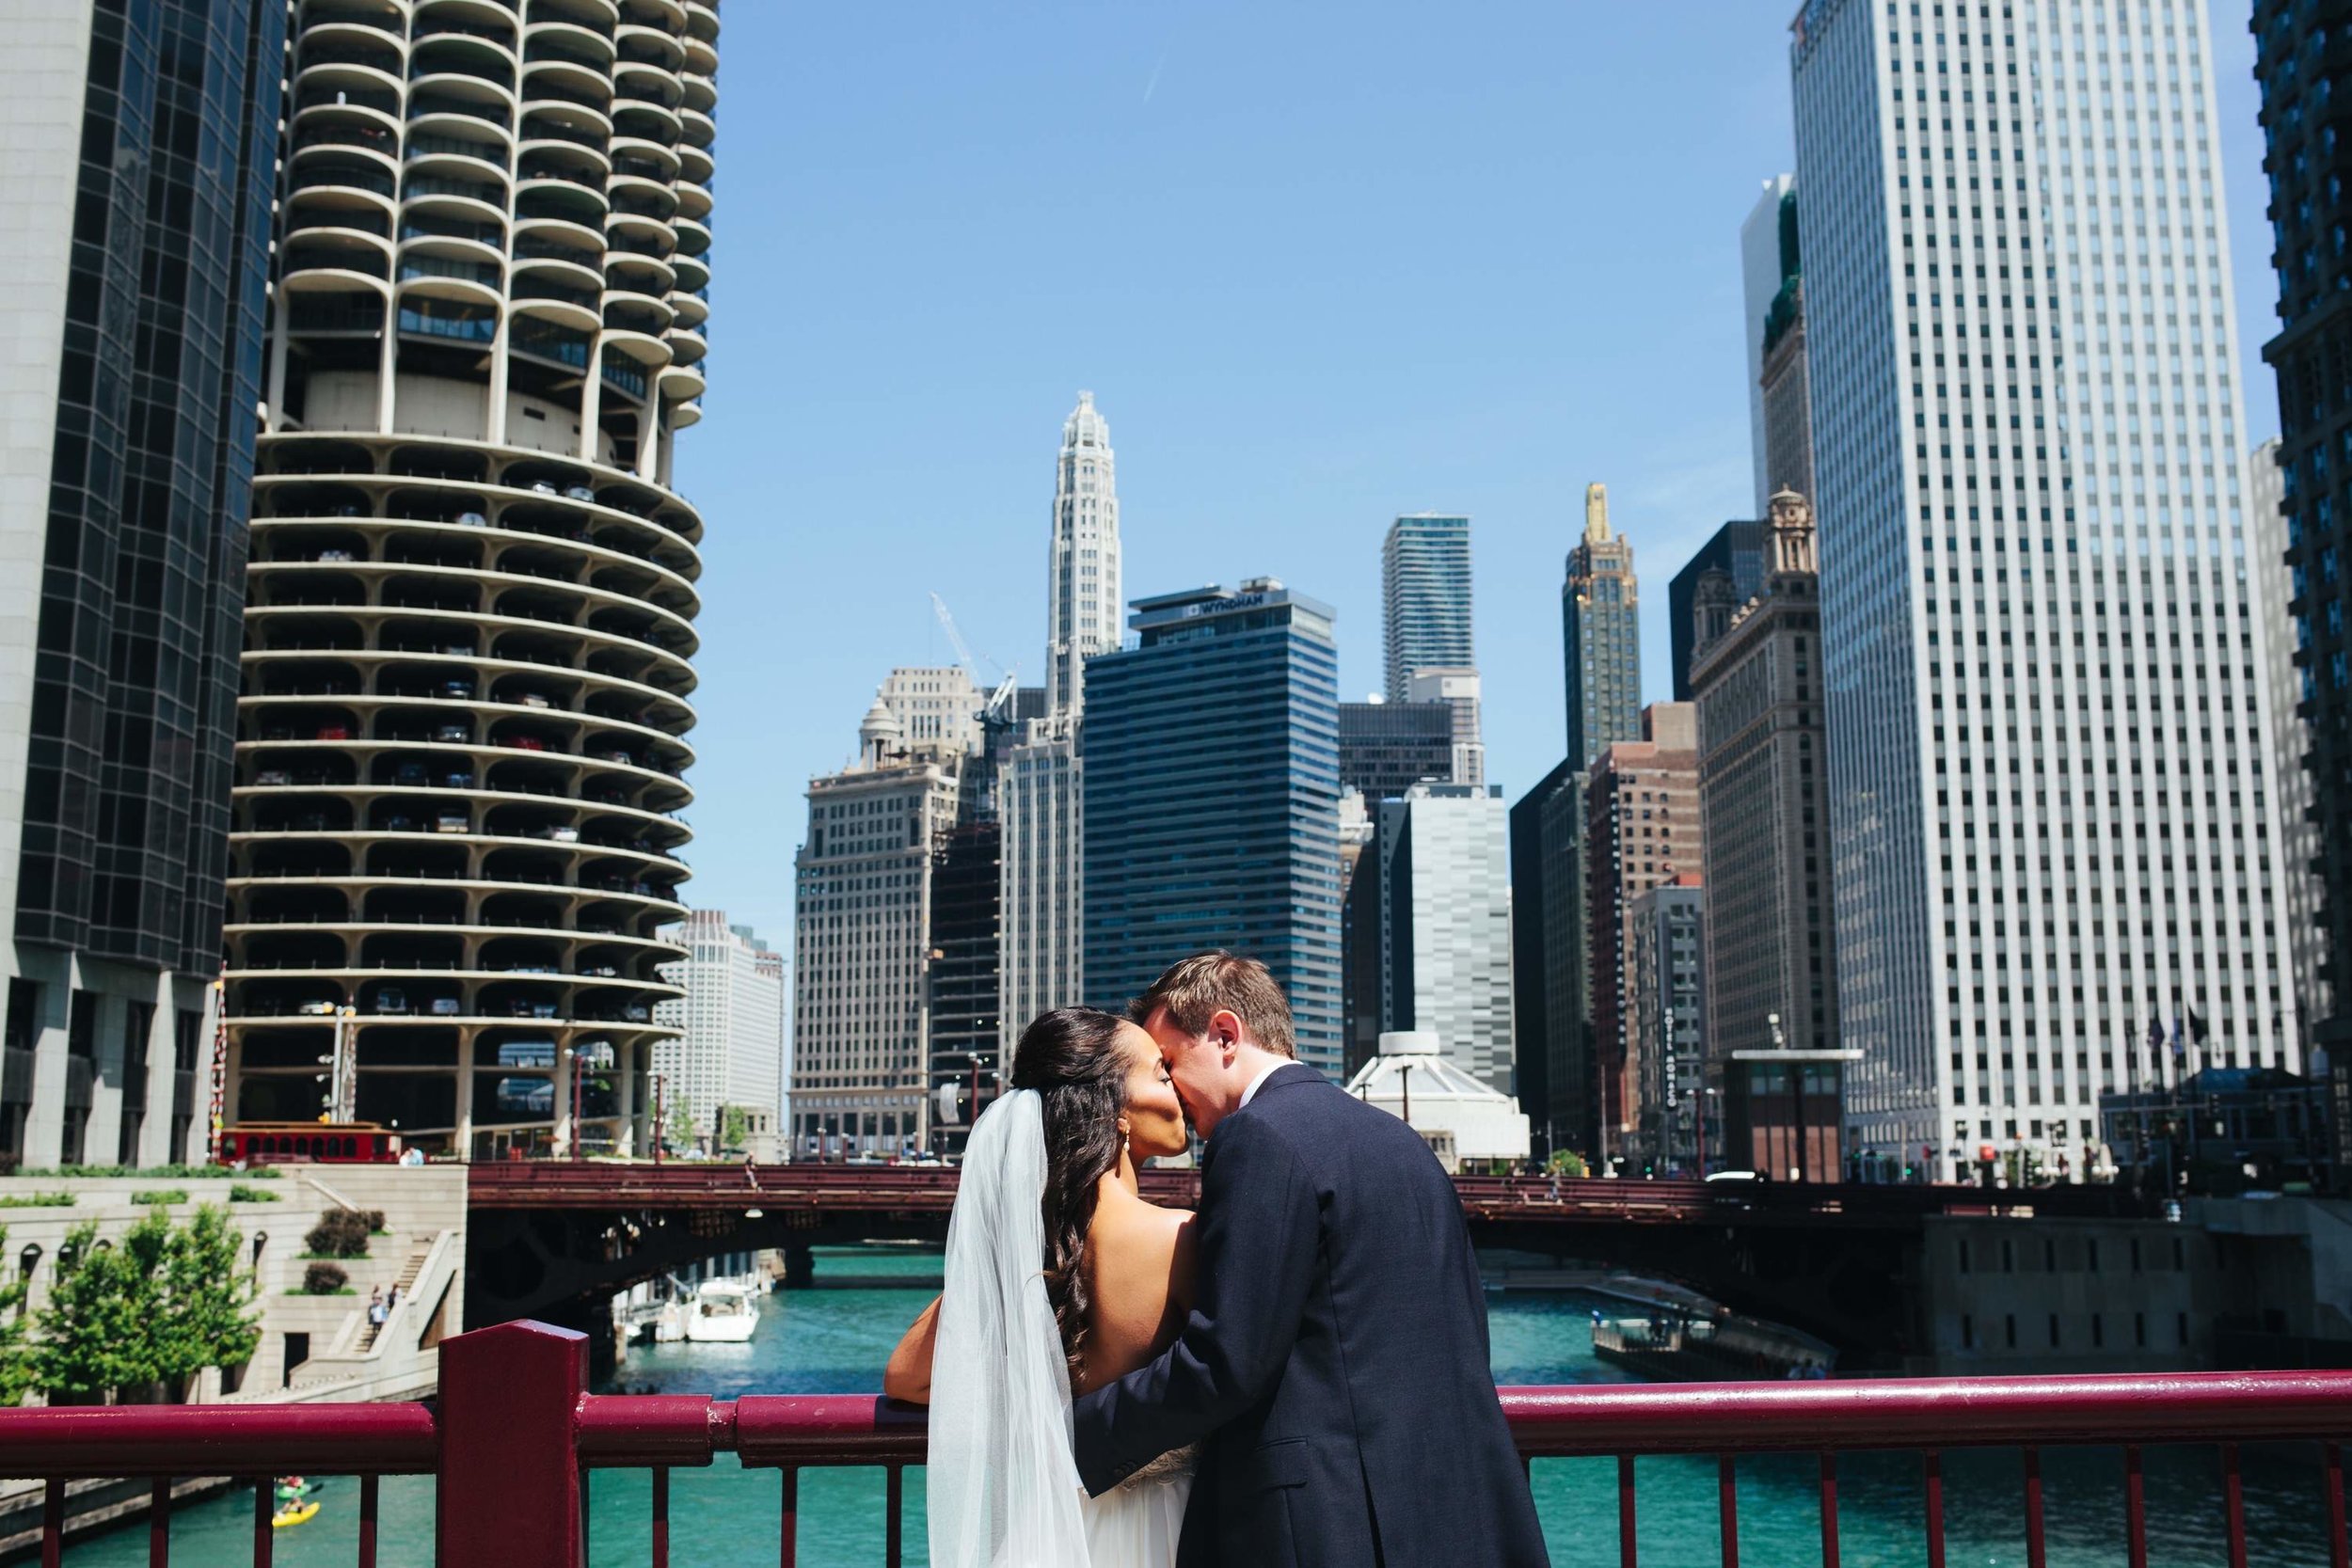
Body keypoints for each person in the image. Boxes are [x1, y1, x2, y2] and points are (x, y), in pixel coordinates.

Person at [1072, 952, 1548, 1568]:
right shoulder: (1401, 1143)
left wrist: (1071, 1436)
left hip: (1327, 1524)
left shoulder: (1258, 1136)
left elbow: (1227, 1360)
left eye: (1169, 1060)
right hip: (1450, 1511)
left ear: (1223, 1034)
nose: (1172, 1091)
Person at [885, 1006, 1196, 1567]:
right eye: (1160, 1073)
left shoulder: (1030, 1249)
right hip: (1171, 1531)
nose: (1178, 1087)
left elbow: (907, 1378)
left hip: (1045, 1534)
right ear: (1118, 1109)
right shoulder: (1180, 1239)